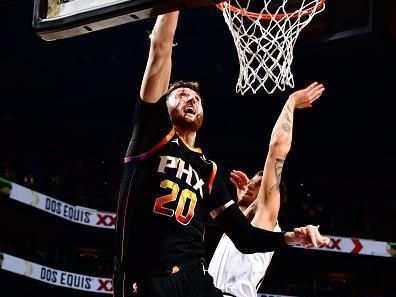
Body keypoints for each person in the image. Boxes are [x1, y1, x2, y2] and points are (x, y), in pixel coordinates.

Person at [113, 11, 329, 297]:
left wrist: (291, 237)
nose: (191, 99)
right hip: (148, 274)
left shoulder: (208, 170)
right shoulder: (151, 137)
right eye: (182, 96)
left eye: (196, 98)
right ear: (164, 107)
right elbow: (160, 48)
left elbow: (247, 237)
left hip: (195, 279)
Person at [208, 82, 328, 297]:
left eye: (257, 185)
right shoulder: (242, 229)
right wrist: (241, 202)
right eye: (251, 182)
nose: (250, 185)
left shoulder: (265, 219)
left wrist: (291, 102)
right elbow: (238, 232)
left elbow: (277, 149)